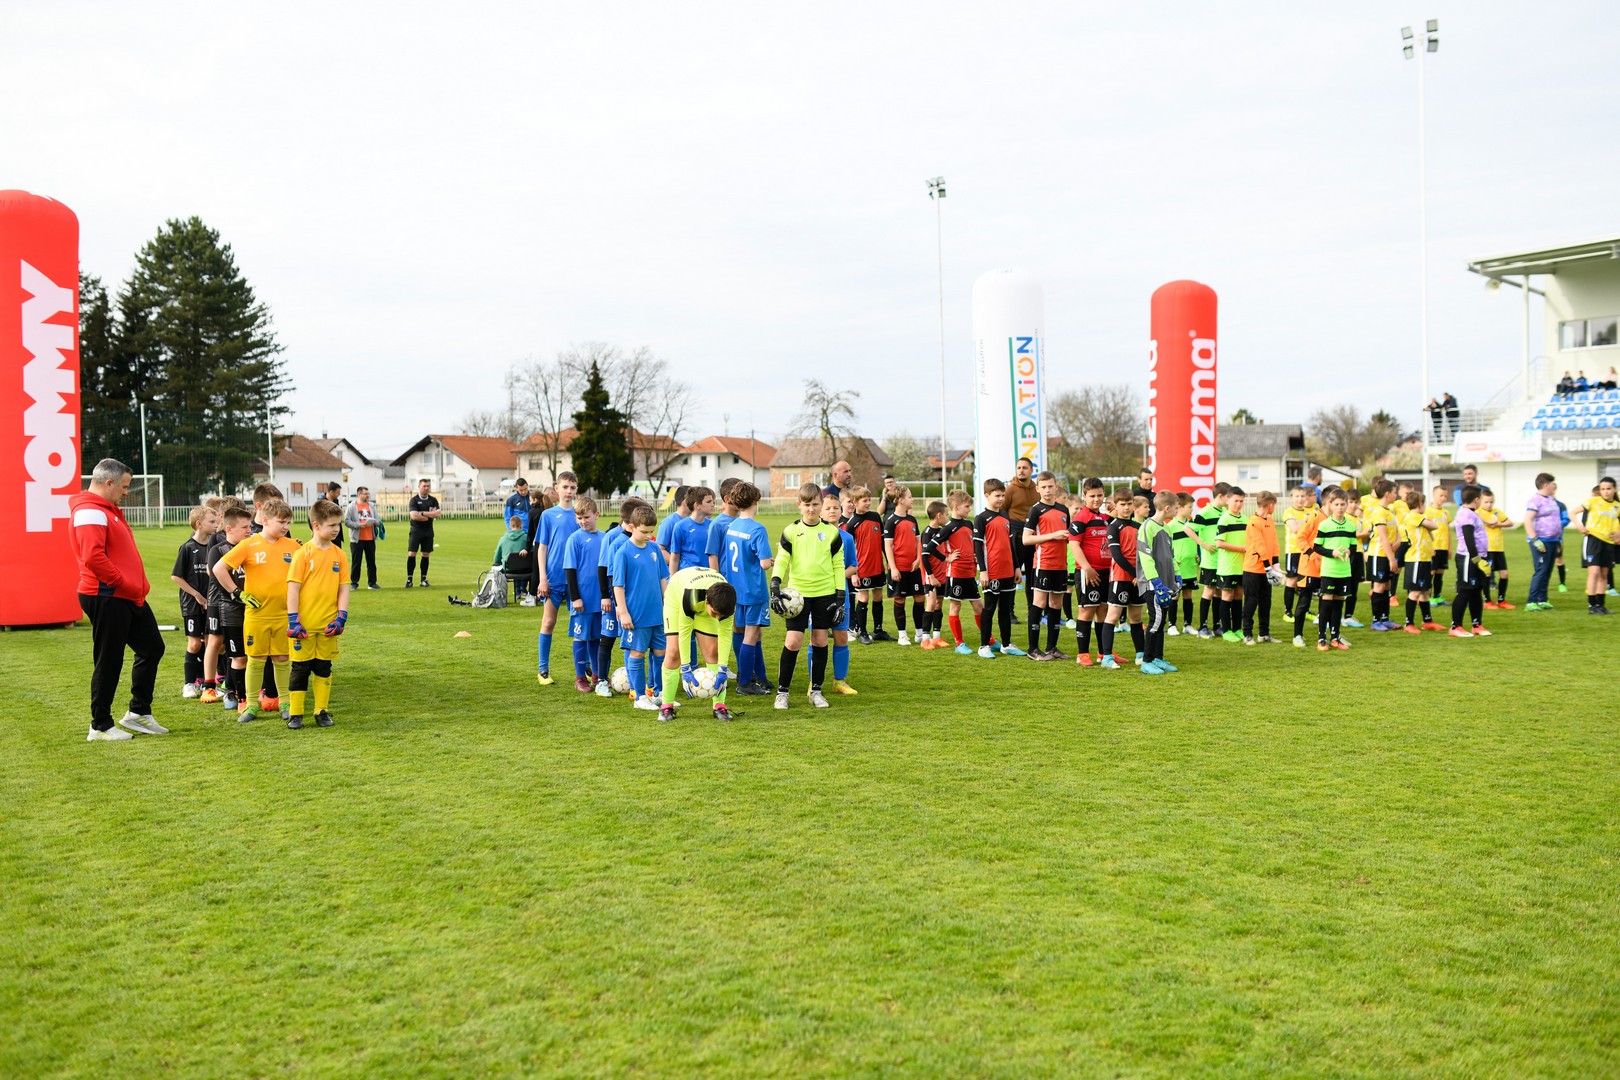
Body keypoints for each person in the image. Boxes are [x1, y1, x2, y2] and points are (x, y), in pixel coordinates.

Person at [70, 458, 167, 741]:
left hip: (127, 596)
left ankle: (137, 713)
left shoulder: (107, 509)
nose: (126, 492)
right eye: (123, 486)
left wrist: (136, 585)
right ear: (108, 483)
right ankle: (100, 725)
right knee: (109, 660)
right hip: (107, 596)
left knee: (152, 648)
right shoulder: (89, 511)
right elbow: (92, 556)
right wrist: (120, 582)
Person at [217, 498, 301, 722]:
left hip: (284, 615)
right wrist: (237, 593)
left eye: (288, 523)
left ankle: (285, 703)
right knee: (255, 659)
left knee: (282, 658)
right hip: (257, 616)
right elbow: (219, 568)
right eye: (282, 522)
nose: (286, 527)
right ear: (265, 520)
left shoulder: (293, 546)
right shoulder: (249, 545)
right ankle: (251, 706)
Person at [771, 482, 844, 709]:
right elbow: (782, 559)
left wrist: (840, 595)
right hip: (797, 596)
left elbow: (838, 565)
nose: (811, 509)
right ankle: (782, 693)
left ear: (821, 506)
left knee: (820, 640)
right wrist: (775, 583)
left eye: (815, 505)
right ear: (799, 505)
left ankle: (817, 691)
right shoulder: (791, 531)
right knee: (793, 641)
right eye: (807, 505)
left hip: (824, 594)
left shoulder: (832, 533)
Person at [284, 499, 350, 729]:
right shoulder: (303, 554)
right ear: (316, 525)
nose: (336, 529)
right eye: (332, 525)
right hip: (304, 625)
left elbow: (343, 587)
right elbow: (292, 588)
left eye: (338, 525)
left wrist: (342, 616)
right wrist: (293, 619)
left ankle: (321, 711)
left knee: (324, 668)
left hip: (328, 625)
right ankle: (295, 713)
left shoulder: (339, 554)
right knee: (300, 669)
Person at [655, 566, 739, 723]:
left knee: (713, 652)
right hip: (677, 597)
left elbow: (726, 636)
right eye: (715, 614)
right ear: (707, 601)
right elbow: (685, 633)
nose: (718, 618)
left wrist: (723, 669)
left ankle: (719, 705)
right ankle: (667, 706)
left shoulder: (727, 604)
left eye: (721, 616)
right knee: (674, 652)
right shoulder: (691, 595)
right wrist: (685, 668)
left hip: (707, 602)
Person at [716, 482, 776, 694]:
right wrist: (772, 561)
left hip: (736, 590)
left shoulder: (732, 526)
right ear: (756, 502)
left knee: (746, 633)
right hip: (753, 591)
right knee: (752, 635)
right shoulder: (757, 529)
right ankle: (745, 684)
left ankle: (759, 677)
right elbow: (763, 563)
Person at [610, 504, 670, 710]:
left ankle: (660, 693)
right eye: (644, 531)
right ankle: (640, 697)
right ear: (631, 527)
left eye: (651, 531)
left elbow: (663, 577)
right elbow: (618, 585)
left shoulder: (654, 548)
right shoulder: (623, 552)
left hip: (657, 613)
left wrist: (668, 603)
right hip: (636, 615)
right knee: (637, 653)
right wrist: (623, 612)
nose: (648, 535)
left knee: (661, 652)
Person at [593, 497, 649, 698]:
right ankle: (601, 681)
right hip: (614, 600)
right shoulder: (613, 538)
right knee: (607, 639)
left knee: (631, 641)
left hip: (633, 601)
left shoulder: (642, 538)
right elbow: (604, 568)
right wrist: (606, 597)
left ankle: (636, 685)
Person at [533, 471, 580, 686]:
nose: (569, 491)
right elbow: (542, 548)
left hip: (577, 580)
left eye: (572, 487)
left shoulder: (581, 515)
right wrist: (543, 578)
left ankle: (583, 669)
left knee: (581, 624)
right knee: (549, 621)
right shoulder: (548, 515)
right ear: (556, 488)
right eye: (565, 487)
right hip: (553, 578)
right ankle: (543, 669)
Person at [1020, 471, 1072, 660]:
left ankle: (1052, 648)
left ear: (1056, 486)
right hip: (1043, 563)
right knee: (1039, 603)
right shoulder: (1036, 510)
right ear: (1038, 489)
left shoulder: (1063, 510)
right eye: (1044, 487)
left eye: (1050, 486)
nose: (1048, 490)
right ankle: (1033, 649)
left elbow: (1067, 536)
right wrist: (1053, 535)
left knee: (1056, 604)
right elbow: (1026, 539)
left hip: (1061, 564)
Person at [206, 505, 254, 711]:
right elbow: (216, 577)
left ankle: (246, 692)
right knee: (237, 655)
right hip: (230, 608)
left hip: (253, 608)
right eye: (244, 527)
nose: (249, 531)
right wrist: (237, 594)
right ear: (229, 529)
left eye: (249, 526)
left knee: (254, 654)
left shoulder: (252, 546)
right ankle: (236, 695)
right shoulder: (218, 550)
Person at [170, 504, 219, 699]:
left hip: (211, 603)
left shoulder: (214, 547)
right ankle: (189, 684)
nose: (216, 525)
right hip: (192, 604)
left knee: (211, 643)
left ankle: (208, 682)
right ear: (199, 524)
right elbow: (176, 577)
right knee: (194, 645)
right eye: (212, 522)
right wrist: (196, 595)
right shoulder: (188, 548)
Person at [973, 479, 1023, 658]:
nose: (1001, 498)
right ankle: (984, 645)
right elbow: (978, 547)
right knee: (990, 608)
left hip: (1008, 571)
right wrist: (983, 570)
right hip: (991, 572)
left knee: (1005, 608)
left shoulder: (1005, 516)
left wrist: (1017, 567)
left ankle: (1007, 644)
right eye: (997, 495)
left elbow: (1011, 545)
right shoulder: (981, 518)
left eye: (1003, 495)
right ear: (987, 495)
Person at [1096, 489, 1144, 669]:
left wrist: (1140, 574)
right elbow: (1117, 555)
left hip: (1137, 578)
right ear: (1115, 506)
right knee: (1113, 615)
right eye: (1122, 505)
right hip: (1121, 577)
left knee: (1136, 617)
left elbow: (1143, 554)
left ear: (1134, 506)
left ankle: (1141, 654)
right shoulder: (1114, 526)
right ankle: (1107, 657)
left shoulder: (1139, 527)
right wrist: (1135, 574)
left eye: (1129, 504)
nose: (1126, 508)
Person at [932, 490, 984, 656]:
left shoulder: (969, 524)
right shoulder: (948, 527)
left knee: (978, 606)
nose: (969, 509)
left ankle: (988, 638)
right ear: (956, 506)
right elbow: (929, 548)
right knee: (956, 606)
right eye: (967, 506)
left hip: (970, 573)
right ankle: (959, 642)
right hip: (956, 574)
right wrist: (946, 559)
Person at [562, 497, 605, 692]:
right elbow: (570, 571)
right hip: (582, 600)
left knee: (596, 638)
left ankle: (596, 675)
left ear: (596, 514)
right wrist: (575, 597)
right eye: (579, 517)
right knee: (580, 638)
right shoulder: (575, 539)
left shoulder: (605, 538)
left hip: (600, 600)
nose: (582, 521)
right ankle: (580, 678)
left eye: (586, 517)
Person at [1067, 478, 1110, 665]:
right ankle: (1082, 654)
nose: (1096, 499)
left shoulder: (1106, 518)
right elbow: (1074, 544)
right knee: (1086, 612)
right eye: (1092, 496)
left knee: (1104, 610)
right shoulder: (1080, 518)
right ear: (1084, 496)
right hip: (1087, 573)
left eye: (1099, 495)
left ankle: (1103, 653)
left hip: (1106, 572)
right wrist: (1087, 568)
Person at [1138, 490, 1181, 674]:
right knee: (1155, 621)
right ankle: (1146, 661)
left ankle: (1158, 658)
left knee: (1162, 621)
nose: (1178, 511)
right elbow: (1145, 557)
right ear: (1167, 508)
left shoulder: (1167, 528)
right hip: (1153, 585)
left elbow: (1170, 557)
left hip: (1166, 584)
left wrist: (1177, 577)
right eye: (1177, 508)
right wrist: (1156, 583)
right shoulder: (1147, 527)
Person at [824, 491, 862, 693]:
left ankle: (840, 681)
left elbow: (853, 566)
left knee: (841, 637)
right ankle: (815, 683)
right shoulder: (816, 537)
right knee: (817, 638)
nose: (832, 511)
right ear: (821, 512)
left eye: (835, 508)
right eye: (828, 508)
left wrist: (837, 575)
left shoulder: (847, 538)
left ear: (841, 512)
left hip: (841, 596)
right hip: (818, 595)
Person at [1309, 489, 1357, 652]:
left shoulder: (1351, 525)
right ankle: (1322, 638)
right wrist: (1332, 553)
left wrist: (1350, 551)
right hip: (1329, 571)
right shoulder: (1325, 525)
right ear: (1330, 505)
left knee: (1338, 606)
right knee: (1326, 606)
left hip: (1344, 572)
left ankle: (1335, 638)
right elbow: (1316, 547)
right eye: (1336, 504)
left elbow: (1354, 546)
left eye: (1343, 504)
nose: (1340, 507)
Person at [845, 486, 889, 643]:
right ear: (855, 502)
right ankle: (862, 631)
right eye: (865, 501)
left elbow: (883, 542)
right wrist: (854, 573)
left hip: (878, 566)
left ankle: (878, 630)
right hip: (862, 568)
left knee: (878, 596)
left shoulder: (876, 517)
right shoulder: (852, 524)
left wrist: (888, 562)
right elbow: (850, 551)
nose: (868, 503)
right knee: (863, 597)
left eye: (870, 500)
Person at [882, 486, 926, 647]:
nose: (912, 499)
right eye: (909, 497)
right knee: (899, 600)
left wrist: (918, 560)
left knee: (920, 597)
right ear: (901, 500)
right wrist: (893, 567)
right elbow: (888, 546)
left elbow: (918, 542)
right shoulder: (891, 521)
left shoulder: (912, 520)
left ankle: (920, 633)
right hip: (898, 568)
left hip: (913, 567)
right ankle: (902, 635)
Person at [1186, 484, 1229, 637]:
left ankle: (1217, 625)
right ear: (1221, 496)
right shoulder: (1205, 512)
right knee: (1209, 590)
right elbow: (1188, 528)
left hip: (1223, 560)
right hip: (1210, 561)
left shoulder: (1225, 512)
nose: (1230, 501)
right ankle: (1202, 626)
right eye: (1228, 497)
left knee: (1218, 592)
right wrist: (1203, 544)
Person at [1399, 491, 1443, 633]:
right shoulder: (1413, 516)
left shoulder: (1419, 517)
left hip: (1424, 559)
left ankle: (1427, 620)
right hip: (1415, 559)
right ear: (1419, 504)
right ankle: (1409, 623)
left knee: (1425, 591)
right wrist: (1427, 520)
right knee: (1415, 591)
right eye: (1424, 503)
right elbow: (1435, 526)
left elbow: (1430, 533)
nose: (1426, 506)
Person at [1450, 486, 1492, 635]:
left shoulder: (1472, 513)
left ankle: (1476, 625)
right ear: (1476, 500)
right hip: (1468, 557)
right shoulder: (1465, 514)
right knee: (1465, 591)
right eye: (1480, 498)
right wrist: (1477, 560)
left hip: (1477, 556)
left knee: (1476, 591)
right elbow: (1468, 538)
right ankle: (1456, 627)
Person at [1573, 477, 1619, 615]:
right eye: (1603, 489)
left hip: (1609, 543)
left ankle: (1601, 605)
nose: (1606, 492)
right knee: (1594, 572)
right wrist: (1580, 526)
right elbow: (1572, 513)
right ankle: (1592, 605)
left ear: (1615, 489)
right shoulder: (1593, 501)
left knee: (1604, 574)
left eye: (1609, 489)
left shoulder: (1617, 505)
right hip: (1593, 540)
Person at [1240, 491, 1280, 644]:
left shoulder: (1270, 521)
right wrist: (1268, 567)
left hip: (1267, 568)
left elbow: (1274, 544)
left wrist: (1275, 565)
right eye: (1274, 505)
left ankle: (1264, 634)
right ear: (1270, 505)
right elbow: (1259, 545)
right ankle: (1247, 634)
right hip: (1253, 569)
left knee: (1266, 601)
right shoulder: (1253, 522)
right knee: (1251, 601)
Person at [1002, 457, 1039, 623]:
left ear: (1031, 470)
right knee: (1012, 576)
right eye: (1019, 467)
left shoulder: (1037, 489)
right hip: (1016, 537)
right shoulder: (1010, 489)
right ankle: (1009, 613)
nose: (1021, 470)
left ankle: (1033, 611)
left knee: (1033, 576)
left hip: (1033, 538)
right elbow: (1002, 511)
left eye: (1025, 467)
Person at [1214, 487, 1249, 643]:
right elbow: (1219, 543)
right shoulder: (1224, 519)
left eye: (1241, 501)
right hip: (1227, 566)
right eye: (1236, 501)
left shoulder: (1246, 519)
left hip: (1242, 566)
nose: (1239, 504)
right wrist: (1241, 549)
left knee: (1238, 595)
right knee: (1227, 596)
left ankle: (1237, 628)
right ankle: (1226, 630)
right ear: (1227, 500)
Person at [1523, 473, 1563, 610]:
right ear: (1546, 485)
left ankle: (1542, 599)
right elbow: (1528, 520)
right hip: (1541, 541)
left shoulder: (1551, 499)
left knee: (1547, 570)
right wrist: (1535, 539)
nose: (1554, 486)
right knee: (1541, 570)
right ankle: (1531, 601)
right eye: (1552, 484)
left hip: (1553, 540)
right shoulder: (1535, 500)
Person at [1477, 488, 1518, 609]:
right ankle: (1487, 601)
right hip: (1486, 549)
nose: (1489, 505)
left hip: (1498, 548)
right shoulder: (1477, 512)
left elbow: (1510, 523)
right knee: (1487, 573)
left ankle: (1501, 600)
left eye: (1491, 502)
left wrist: (1498, 524)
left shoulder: (1497, 512)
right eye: (1486, 502)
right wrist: (1487, 521)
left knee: (1504, 573)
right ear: (1480, 501)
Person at [919, 499, 950, 647]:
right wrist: (930, 576)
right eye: (946, 515)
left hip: (942, 573)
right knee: (930, 603)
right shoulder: (927, 532)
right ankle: (925, 639)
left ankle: (936, 636)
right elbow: (924, 556)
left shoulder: (942, 531)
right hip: (931, 575)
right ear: (939, 515)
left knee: (939, 603)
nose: (948, 518)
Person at [1171, 494, 1199, 635]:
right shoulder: (1171, 526)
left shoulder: (1192, 525)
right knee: (1175, 595)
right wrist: (1172, 559)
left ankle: (1187, 625)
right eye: (1190, 507)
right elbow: (1167, 546)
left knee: (1188, 595)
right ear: (1180, 508)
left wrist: (1197, 555)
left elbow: (1195, 542)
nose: (1192, 510)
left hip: (1190, 567)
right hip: (1177, 569)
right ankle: (1171, 625)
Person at [668, 486, 714, 573]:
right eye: (708, 502)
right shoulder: (680, 526)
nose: (712, 505)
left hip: (708, 576)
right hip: (688, 576)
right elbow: (674, 557)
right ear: (697, 505)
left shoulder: (713, 525)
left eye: (713, 502)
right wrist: (673, 580)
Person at [405, 478, 440, 587]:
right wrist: (429, 515)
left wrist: (422, 513)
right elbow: (414, 516)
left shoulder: (433, 500)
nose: (426, 488)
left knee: (426, 554)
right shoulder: (414, 500)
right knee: (412, 553)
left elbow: (438, 514)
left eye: (428, 486)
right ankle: (409, 580)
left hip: (428, 531)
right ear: (419, 487)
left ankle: (423, 579)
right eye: (424, 486)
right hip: (416, 530)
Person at [344, 486, 380, 589]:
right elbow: (347, 521)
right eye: (365, 494)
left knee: (371, 562)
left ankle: (372, 583)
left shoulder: (372, 506)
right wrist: (359, 525)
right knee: (356, 562)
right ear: (359, 494)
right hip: (356, 539)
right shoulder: (352, 506)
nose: (367, 495)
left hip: (370, 538)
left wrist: (376, 522)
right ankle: (354, 583)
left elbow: (377, 519)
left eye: (368, 494)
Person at [494, 514, 532, 602]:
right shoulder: (527, 538)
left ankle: (515, 592)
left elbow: (496, 559)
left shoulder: (503, 539)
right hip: (526, 569)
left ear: (510, 526)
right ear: (521, 525)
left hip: (508, 569)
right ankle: (523, 589)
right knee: (522, 564)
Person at [1428, 485, 1452, 605]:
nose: (1443, 498)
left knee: (1440, 572)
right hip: (1434, 547)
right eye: (1440, 495)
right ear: (1433, 495)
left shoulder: (1446, 513)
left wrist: (1449, 548)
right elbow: (1426, 531)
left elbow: (1448, 531)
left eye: (1445, 496)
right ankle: (1428, 597)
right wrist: (1430, 547)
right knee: (1431, 572)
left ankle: (1437, 596)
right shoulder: (1428, 511)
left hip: (1443, 547)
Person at [656, 484, 691, 560]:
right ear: (685, 501)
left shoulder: (692, 521)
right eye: (693, 500)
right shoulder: (669, 522)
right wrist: (678, 566)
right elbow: (660, 550)